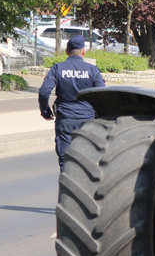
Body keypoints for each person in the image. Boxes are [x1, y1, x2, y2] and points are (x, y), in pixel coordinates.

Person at [38, 34, 106, 168]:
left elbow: (44, 91)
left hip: (66, 119)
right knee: (88, 159)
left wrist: (45, 111)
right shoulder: (92, 70)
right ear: (83, 51)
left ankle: (67, 186)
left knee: (66, 159)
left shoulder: (58, 68)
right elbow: (102, 94)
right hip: (87, 119)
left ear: (66, 51)